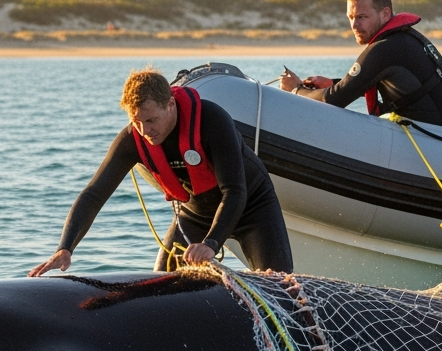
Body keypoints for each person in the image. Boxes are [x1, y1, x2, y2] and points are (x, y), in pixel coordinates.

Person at [29, 68, 293, 277]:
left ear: (170, 104)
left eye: (151, 120)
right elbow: (94, 194)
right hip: (195, 215)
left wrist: (211, 244)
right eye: (137, 121)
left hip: (251, 208)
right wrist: (65, 248)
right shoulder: (133, 138)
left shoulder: (212, 121)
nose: (145, 131)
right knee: (159, 285)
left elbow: (234, 191)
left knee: (281, 288)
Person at [279, 0, 442, 131]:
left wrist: (295, 89)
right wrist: (333, 82)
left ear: (385, 14)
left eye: (361, 17)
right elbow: (358, 84)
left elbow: (334, 100)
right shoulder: (403, 39)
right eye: (350, 17)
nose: (354, 25)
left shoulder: (385, 49)